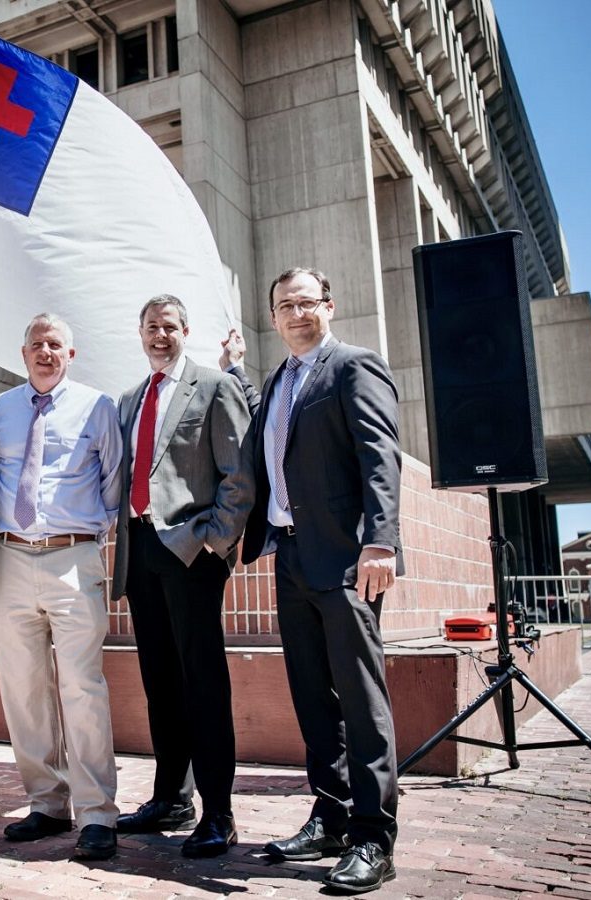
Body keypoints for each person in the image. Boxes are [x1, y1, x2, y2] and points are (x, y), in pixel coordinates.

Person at [243, 267, 402, 894]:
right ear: (274, 316)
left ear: (329, 306)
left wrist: (381, 540)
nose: (297, 313)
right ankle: (331, 817)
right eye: (285, 305)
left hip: (345, 559)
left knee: (361, 700)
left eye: (307, 303)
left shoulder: (354, 366)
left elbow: (378, 455)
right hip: (290, 556)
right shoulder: (278, 380)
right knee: (313, 697)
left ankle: (373, 837)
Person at [111, 295, 253, 858]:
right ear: (140, 332)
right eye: (151, 327)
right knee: (160, 681)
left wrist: (214, 540)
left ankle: (218, 810)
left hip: (189, 550)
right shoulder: (129, 398)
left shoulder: (215, 386)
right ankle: (170, 796)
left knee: (203, 682)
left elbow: (239, 474)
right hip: (139, 550)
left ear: (185, 331)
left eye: (169, 327)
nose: (160, 336)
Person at [0, 314, 123, 861]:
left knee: (82, 688)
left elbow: (114, 481)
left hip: (73, 557)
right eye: (37, 345)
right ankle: (46, 803)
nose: (46, 352)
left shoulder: (98, 407)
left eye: (56, 345)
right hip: (11, 559)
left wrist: (87, 531)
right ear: (23, 354)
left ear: (72, 354)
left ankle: (97, 814)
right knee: (22, 688)